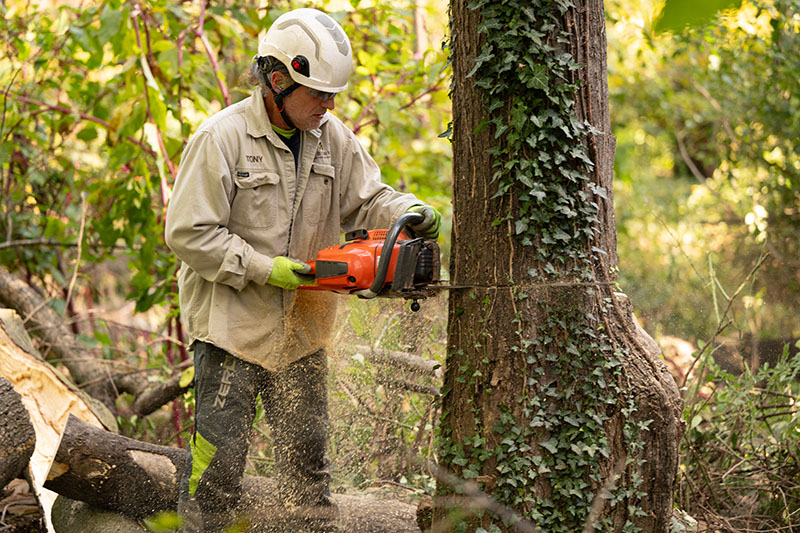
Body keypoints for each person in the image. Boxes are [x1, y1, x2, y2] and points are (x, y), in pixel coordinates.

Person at [164, 7, 441, 532]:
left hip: (304, 333)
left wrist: (408, 210)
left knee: (308, 473)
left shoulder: (331, 136)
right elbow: (189, 234)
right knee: (217, 469)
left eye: (333, 95)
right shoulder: (220, 139)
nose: (329, 105)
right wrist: (268, 270)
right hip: (233, 334)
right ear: (277, 81)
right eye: (318, 94)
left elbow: (370, 198)